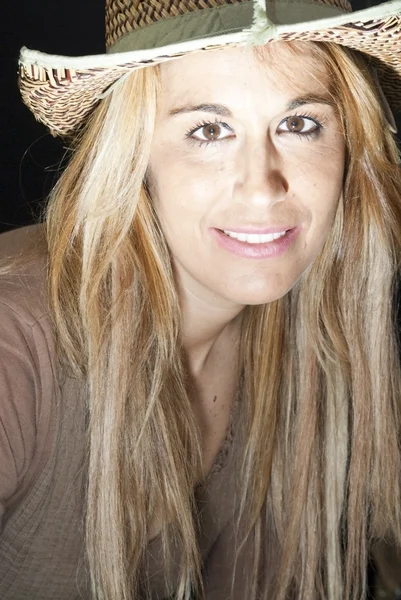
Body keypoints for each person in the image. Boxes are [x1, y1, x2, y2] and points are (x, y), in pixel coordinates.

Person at [1, 0, 401, 598]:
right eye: (209, 130)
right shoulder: (17, 340)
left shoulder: (316, 343)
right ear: (135, 158)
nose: (262, 186)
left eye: (300, 124)